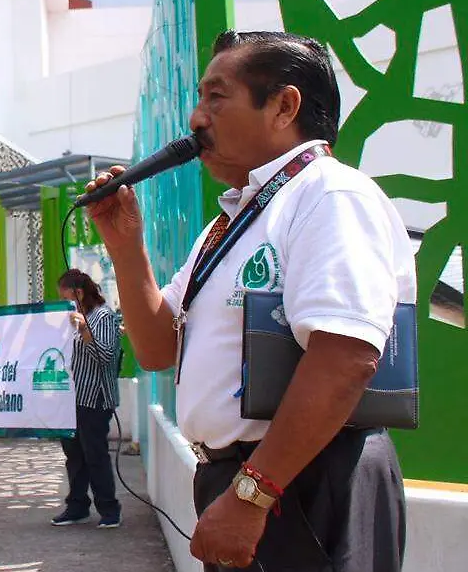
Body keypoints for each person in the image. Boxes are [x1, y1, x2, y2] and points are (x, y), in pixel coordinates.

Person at [84, 30, 413, 571]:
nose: (196, 117)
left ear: (284, 106)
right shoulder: (235, 221)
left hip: (304, 481)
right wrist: (126, 248)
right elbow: (158, 348)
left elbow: (345, 357)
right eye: (199, 97)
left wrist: (253, 493)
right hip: (255, 480)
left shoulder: (329, 194)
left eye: (217, 96)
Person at [52, 270, 123, 528]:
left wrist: (84, 330)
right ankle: (77, 505)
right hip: (71, 399)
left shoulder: (103, 317)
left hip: (94, 398)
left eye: (66, 296)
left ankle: (109, 509)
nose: (64, 302)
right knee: (74, 456)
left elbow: (105, 357)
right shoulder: (70, 319)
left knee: (95, 454)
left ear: (79, 293)